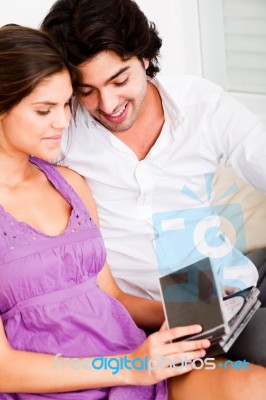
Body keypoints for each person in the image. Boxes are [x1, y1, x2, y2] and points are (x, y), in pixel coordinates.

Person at [41, 0, 266, 366]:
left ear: (144, 56)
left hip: (227, 284)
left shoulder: (200, 104)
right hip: (142, 312)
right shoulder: (61, 132)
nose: (108, 104)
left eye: (119, 80)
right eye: (87, 90)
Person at [0, 23, 215, 400]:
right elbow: (5, 370)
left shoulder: (70, 183)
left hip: (133, 360)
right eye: (44, 109)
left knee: (253, 382)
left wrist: (187, 314)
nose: (64, 121)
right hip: (63, 384)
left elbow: (109, 295)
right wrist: (131, 368)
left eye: (66, 104)